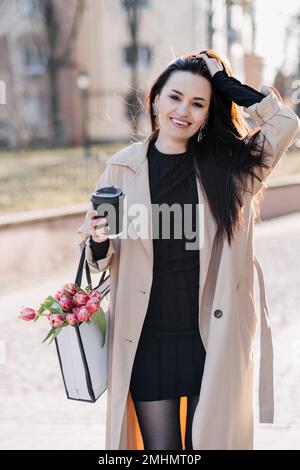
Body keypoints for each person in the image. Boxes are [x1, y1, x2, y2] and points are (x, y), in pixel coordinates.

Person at [77, 49, 300, 450]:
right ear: (156, 99)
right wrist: (97, 238)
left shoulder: (230, 170)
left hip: (210, 338)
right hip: (146, 339)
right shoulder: (122, 168)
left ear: (208, 111)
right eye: (175, 97)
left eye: (198, 103)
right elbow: (100, 260)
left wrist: (227, 86)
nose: (184, 110)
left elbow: (285, 123)